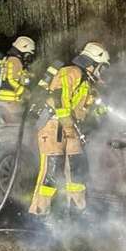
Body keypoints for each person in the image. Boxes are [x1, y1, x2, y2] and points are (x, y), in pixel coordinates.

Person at [28, 41, 110, 219]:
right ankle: (40, 214)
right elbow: (60, 99)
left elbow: (87, 107)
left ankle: (77, 210)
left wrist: (103, 114)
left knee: (76, 168)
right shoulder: (70, 72)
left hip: (71, 129)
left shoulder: (87, 82)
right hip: (54, 127)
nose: (101, 72)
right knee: (52, 170)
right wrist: (67, 126)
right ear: (93, 63)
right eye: (101, 67)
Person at [0, 36, 35, 123]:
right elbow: (11, 80)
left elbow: (13, 75)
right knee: (14, 126)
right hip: (10, 101)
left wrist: (27, 75)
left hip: (4, 100)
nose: (28, 58)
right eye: (28, 54)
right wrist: (23, 91)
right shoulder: (15, 61)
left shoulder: (10, 59)